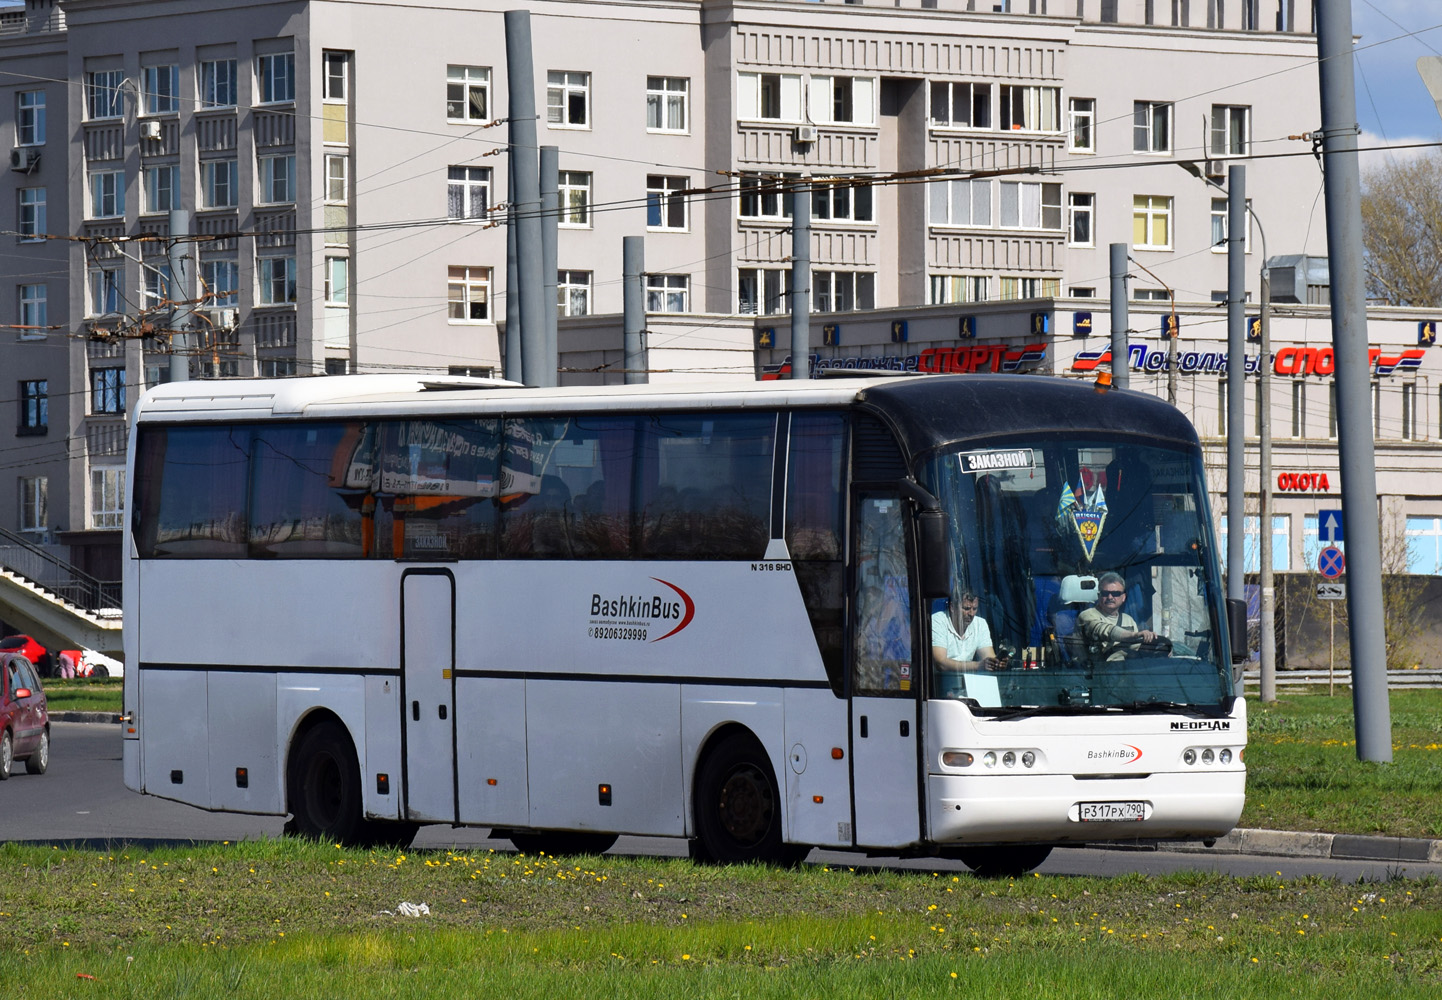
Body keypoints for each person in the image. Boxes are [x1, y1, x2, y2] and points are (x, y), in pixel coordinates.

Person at [1075, 571, 1156, 659]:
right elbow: (1104, 630)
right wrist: (1134, 635)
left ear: (1123, 597)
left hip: (1127, 669)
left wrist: (1159, 649)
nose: (1110, 597)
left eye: (1115, 594)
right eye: (1105, 593)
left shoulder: (1128, 620)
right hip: (1095, 670)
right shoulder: (1087, 615)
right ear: (1099, 596)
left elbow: (1136, 649)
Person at [931, 591, 1005, 673]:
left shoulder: (980, 624)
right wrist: (977, 666)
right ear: (952, 607)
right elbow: (941, 663)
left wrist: (996, 663)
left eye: (975, 609)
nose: (972, 614)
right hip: (939, 682)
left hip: (967, 681)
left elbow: (988, 657)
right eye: (966, 609)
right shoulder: (937, 621)